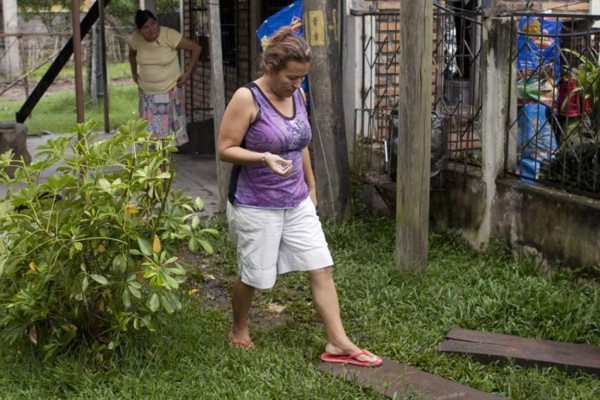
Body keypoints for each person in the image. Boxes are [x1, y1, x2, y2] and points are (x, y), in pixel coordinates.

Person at [217, 27, 382, 367]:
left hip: (297, 200)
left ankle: (337, 341)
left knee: (321, 267)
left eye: (302, 78)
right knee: (254, 275)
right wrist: (262, 157)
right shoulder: (247, 98)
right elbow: (225, 149)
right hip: (255, 203)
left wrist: (312, 186)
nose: (297, 84)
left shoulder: (298, 96)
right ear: (272, 68)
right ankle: (239, 329)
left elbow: (300, 143)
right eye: (292, 77)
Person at [129, 10, 201, 147]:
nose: (151, 29)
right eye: (145, 27)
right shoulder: (136, 39)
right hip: (147, 96)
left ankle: (165, 166)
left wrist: (187, 73)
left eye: (152, 23)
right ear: (140, 31)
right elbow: (132, 54)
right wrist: (133, 73)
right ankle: (157, 168)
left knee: (167, 140)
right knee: (150, 140)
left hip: (169, 93)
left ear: (156, 22)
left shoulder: (169, 35)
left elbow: (196, 48)